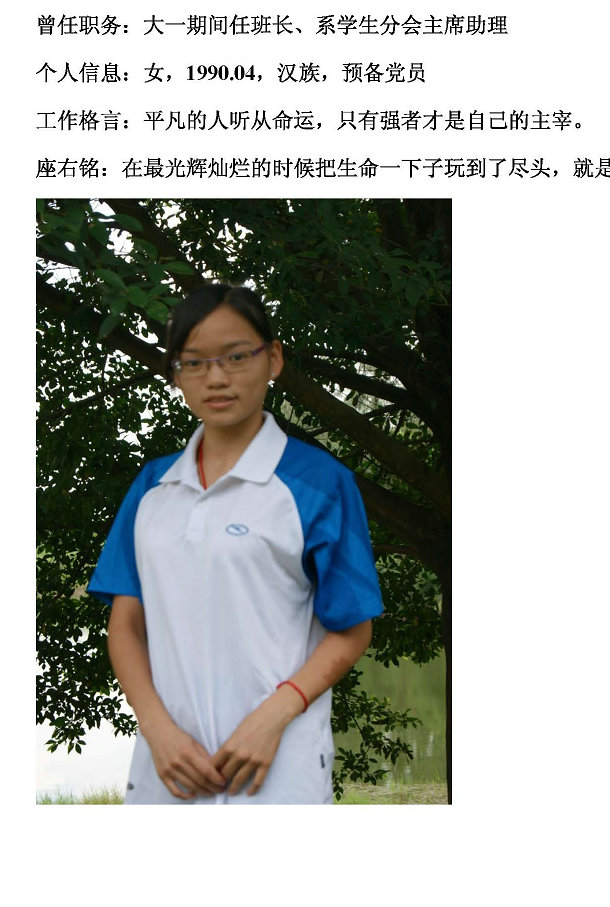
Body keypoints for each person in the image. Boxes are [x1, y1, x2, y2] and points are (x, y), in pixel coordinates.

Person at [88, 283, 384, 804]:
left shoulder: (319, 484)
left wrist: (274, 715)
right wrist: (156, 728)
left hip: (278, 770)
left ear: (273, 358)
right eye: (194, 362)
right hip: (167, 772)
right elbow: (126, 625)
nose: (217, 377)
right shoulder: (152, 488)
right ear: (176, 374)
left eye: (236, 356)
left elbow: (353, 628)